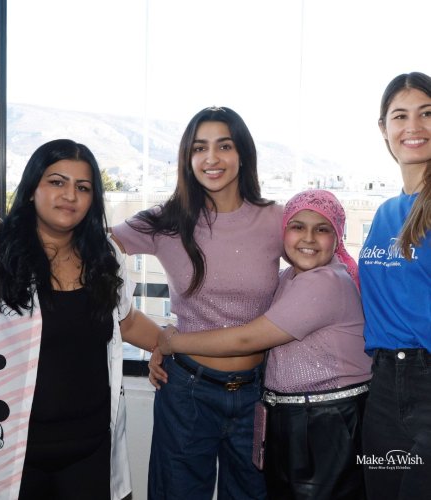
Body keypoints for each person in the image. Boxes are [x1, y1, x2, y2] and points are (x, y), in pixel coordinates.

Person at [112, 106, 283, 499]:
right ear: (187, 159)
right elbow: (91, 244)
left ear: (243, 154)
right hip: (186, 391)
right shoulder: (166, 221)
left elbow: (321, 274)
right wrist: (156, 338)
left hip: (258, 393)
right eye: (199, 148)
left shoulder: (276, 219)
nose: (211, 158)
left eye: (224, 146)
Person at [157, 189, 372, 500]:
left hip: (327, 423)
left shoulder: (326, 281)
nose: (308, 238)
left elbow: (247, 338)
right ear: (283, 233)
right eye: (297, 226)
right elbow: (234, 321)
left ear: (337, 237)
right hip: (295, 420)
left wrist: (172, 343)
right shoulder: (288, 278)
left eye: (322, 229)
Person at [0, 139, 162, 500]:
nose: (70, 196)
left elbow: (126, 322)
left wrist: (171, 345)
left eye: (83, 187)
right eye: (56, 182)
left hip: (90, 448)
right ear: (32, 188)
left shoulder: (105, 255)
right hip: (16, 451)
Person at [359, 72, 431, 499]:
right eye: (400, 116)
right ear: (383, 129)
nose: (414, 126)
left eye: (427, 113)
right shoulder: (386, 212)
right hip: (383, 387)